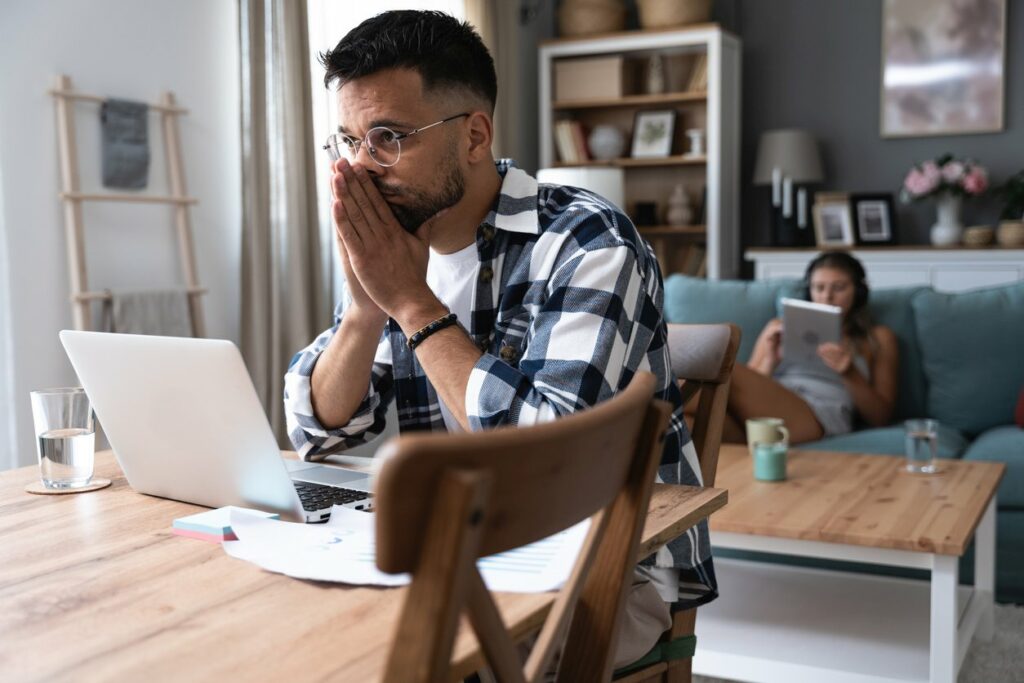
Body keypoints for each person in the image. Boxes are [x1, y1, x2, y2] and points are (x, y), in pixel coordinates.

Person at [282, 10, 715, 669]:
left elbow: (555, 463)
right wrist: (364, 311)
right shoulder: (395, 245)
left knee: (363, 656)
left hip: (601, 566)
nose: (361, 170)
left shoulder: (588, 242)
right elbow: (316, 428)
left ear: (475, 136)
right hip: (456, 548)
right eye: (346, 142)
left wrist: (410, 302)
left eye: (387, 138)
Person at [724, 251, 899, 444]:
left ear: (858, 292)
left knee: (723, 373)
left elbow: (881, 417)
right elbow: (746, 391)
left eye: (839, 288)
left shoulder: (877, 338)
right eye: (819, 287)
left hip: (820, 414)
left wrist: (850, 373)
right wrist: (770, 361)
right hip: (768, 407)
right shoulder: (778, 326)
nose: (827, 296)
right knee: (691, 424)